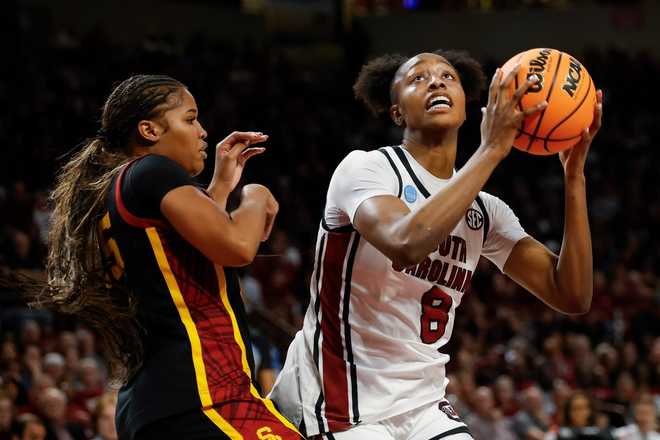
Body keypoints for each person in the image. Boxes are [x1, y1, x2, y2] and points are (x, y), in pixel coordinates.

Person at [269, 50, 602, 440]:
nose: (436, 81)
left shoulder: (485, 211)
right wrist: (492, 149)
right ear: (397, 113)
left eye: (448, 76)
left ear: (466, 105)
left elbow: (572, 296)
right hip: (337, 400)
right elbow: (406, 243)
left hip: (422, 402)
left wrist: (574, 178)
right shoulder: (367, 168)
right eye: (417, 79)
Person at [28, 75, 301, 439]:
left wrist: (219, 188)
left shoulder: (117, 190)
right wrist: (255, 195)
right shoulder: (150, 170)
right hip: (201, 395)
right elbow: (236, 245)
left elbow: (187, 262)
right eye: (190, 119)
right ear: (149, 130)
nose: (203, 132)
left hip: (155, 404)